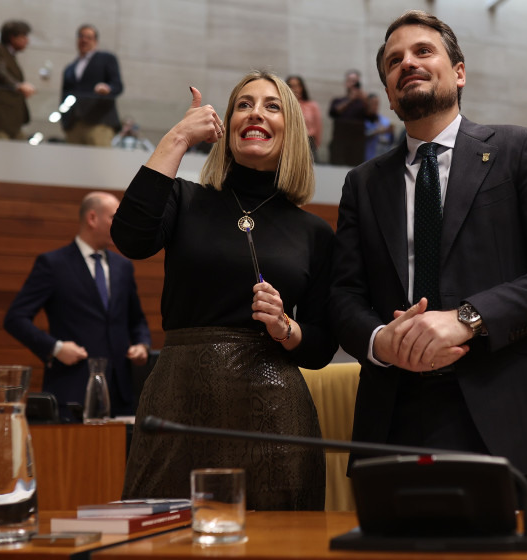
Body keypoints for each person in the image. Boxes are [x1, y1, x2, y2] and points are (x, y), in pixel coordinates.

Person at [329, 10, 527, 509]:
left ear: (459, 73)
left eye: (422, 51)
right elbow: (344, 295)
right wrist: (379, 340)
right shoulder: (362, 184)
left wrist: (468, 319)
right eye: (393, 61)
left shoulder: (518, 149)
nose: (407, 63)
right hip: (394, 416)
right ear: (389, 94)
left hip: (504, 407)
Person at [113, 72, 337, 510]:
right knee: (158, 533)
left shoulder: (314, 232)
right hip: (178, 401)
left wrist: (285, 327)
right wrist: (179, 137)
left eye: (272, 106)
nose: (256, 113)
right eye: (244, 105)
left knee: (279, 539)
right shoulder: (185, 199)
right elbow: (130, 238)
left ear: (292, 129)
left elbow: (322, 345)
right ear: (226, 125)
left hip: (275, 414)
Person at [3, 192, 152, 422]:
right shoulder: (53, 264)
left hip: (120, 393)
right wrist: (55, 348)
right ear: (92, 218)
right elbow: (15, 318)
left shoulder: (123, 267)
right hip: (72, 391)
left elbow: (136, 319)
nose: (121, 224)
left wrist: (142, 344)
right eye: (114, 217)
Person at [61, 24, 124, 146]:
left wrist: (107, 88)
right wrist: (64, 120)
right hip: (73, 125)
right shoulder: (70, 68)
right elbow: (64, 95)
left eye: (89, 37)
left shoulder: (106, 59)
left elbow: (117, 85)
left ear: (95, 41)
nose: (84, 40)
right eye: (81, 36)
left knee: (99, 158)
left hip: (99, 123)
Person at [328, 69, 367, 166]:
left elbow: (372, 116)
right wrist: (350, 99)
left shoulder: (363, 102)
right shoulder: (338, 100)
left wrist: (366, 100)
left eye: (355, 81)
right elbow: (333, 113)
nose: (353, 84)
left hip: (357, 144)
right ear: (346, 83)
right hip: (339, 143)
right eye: (351, 81)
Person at [285, 75, 322, 162]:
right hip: (288, 142)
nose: (294, 89)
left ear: (302, 87)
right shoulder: (283, 105)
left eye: (297, 85)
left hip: (308, 142)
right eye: (291, 86)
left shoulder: (312, 105)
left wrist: (315, 144)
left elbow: (318, 126)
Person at [363, 93, 394, 160]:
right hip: (365, 158)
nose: (375, 106)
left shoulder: (385, 121)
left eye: (376, 104)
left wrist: (391, 132)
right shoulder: (362, 120)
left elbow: (390, 141)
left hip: (380, 158)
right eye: (372, 103)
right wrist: (377, 131)